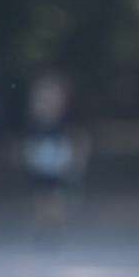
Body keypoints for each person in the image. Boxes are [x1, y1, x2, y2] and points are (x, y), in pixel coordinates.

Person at [22, 69, 90, 236]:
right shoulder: (35, 119)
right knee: (41, 193)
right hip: (41, 158)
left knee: (56, 192)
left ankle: (55, 227)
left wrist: (77, 161)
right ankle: (44, 226)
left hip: (57, 158)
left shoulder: (68, 120)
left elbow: (79, 138)